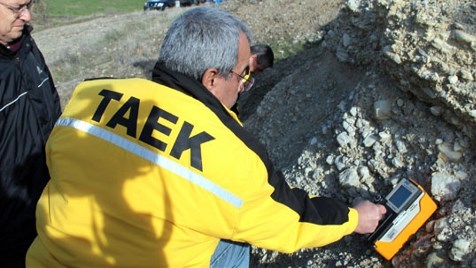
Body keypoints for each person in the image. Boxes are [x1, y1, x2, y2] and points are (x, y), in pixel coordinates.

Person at [26, 7, 386, 267]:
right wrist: (355, 218)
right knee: (236, 240)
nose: (245, 86)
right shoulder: (230, 156)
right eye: (243, 74)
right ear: (212, 78)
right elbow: (288, 220)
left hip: (49, 258)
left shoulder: (89, 95)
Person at [0, 1, 62, 267]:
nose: (27, 15)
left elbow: (53, 110)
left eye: (28, 5)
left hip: (46, 213)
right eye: (17, 8)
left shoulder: (26, 47)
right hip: (7, 236)